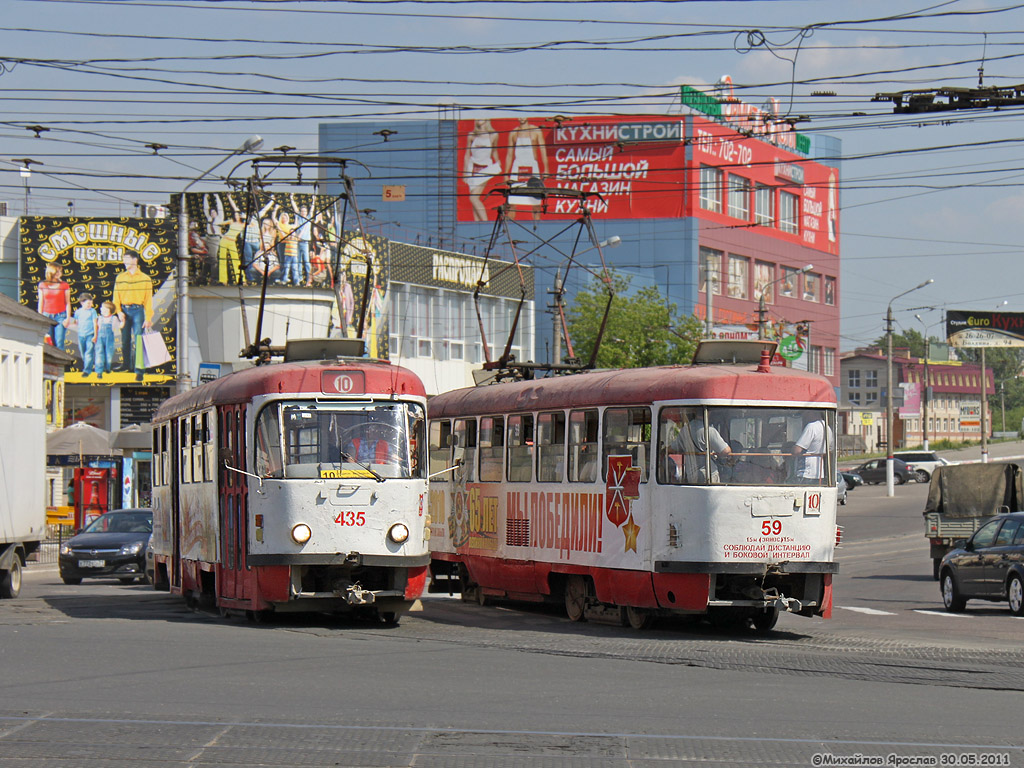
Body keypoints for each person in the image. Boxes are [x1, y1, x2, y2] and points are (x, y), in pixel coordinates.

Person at [112, 251, 154, 381]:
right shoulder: (120, 277)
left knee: (138, 340)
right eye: (123, 259)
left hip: (138, 310)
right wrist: (118, 311)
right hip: (124, 310)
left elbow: (148, 300)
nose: (125, 261)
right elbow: (116, 296)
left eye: (127, 259)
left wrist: (148, 318)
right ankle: (126, 365)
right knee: (125, 340)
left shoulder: (145, 278)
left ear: (135, 260)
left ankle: (139, 369)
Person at [504, 117, 550, 223]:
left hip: (532, 167)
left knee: (536, 201)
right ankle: (510, 228)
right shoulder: (513, 133)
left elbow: (543, 151)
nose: (521, 118)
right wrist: (506, 174)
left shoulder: (536, 131)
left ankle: (537, 227)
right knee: (512, 201)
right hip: (517, 168)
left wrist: (546, 169)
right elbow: (509, 154)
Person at [673, 414, 732, 484]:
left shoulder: (685, 430)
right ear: (708, 414)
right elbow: (726, 451)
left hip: (691, 475)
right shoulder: (709, 430)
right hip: (708, 474)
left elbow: (673, 448)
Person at [463, 119, 500, 221]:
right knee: (474, 200)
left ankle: (485, 222)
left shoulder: (493, 135)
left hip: (485, 169)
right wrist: (465, 172)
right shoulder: (471, 135)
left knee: (473, 198)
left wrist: (498, 162)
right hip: (473, 168)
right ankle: (477, 225)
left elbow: (494, 151)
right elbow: (467, 154)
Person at [37, 263, 71, 351]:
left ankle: (61, 363)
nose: (59, 273)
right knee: (49, 342)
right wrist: (40, 317)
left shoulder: (64, 285)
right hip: (47, 316)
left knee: (59, 342)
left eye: (60, 271)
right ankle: (50, 363)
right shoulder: (42, 285)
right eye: (57, 271)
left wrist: (67, 318)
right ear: (51, 272)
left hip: (60, 316)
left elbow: (67, 302)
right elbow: (41, 302)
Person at [791, 412, 834, 484]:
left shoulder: (811, 427)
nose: (804, 417)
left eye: (805, 414)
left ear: (812, 413)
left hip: (806, 472)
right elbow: (830, 450)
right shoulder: (828, 428)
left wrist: (791, 447)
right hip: (819, 473)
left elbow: (797, 450)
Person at [72, 292, 98, 376]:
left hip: (90, 335)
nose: (90, 305)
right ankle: (90, 365)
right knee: (83, 353)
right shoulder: (78, 312)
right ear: (82, 303)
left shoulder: (92, 311)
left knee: (88, 353)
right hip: (81, 335)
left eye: (91, 303)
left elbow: (95, 323)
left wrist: (95, 335)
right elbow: (75, 321)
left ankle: (87, 370)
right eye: (88, 303)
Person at [94, 301, 120, 379]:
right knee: (99, 353)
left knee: (109, 353)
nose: (101, 309)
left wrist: (123, 322)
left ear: (108, 310)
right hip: (100, 338)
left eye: (103, 308)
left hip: (110, 338)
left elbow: (118, 327)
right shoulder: (99, 318)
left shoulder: (114, 318)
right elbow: (96, 327)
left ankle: (107, 368)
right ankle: (99, 371)